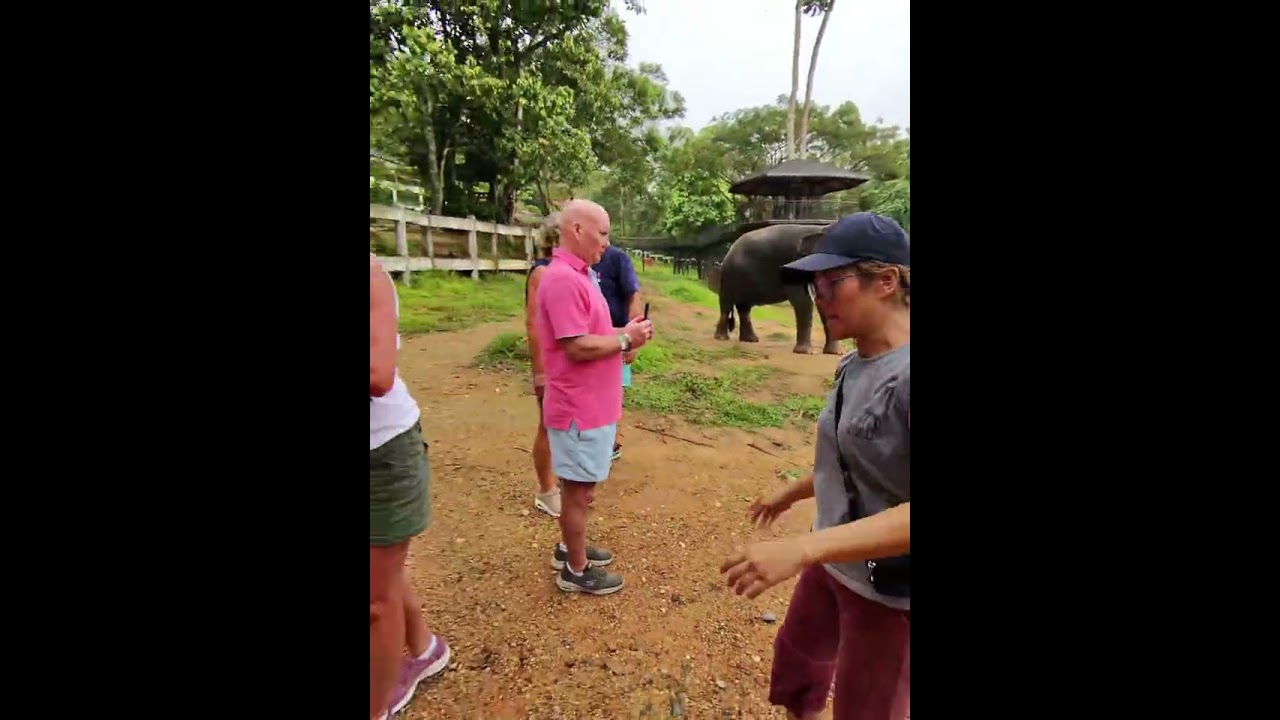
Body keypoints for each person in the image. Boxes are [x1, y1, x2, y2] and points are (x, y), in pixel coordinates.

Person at [719, 212, 911, 720]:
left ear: (886, 282)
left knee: (867, 706)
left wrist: (803, 548)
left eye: (831, 281)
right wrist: (799, 488)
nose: (817, 295)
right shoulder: (854, 361)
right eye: (813, 283)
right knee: (799, 665)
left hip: (888, 591)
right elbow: (865, 456)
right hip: (833, 563)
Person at [534, 199, 653, 594]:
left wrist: (625, 333)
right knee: (577, 490)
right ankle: (577, 569)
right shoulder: (563, 279)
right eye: (602, 233)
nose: (607, 242)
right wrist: (624, 339)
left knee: (581, 490)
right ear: (578, 230)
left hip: (592, 406)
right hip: (578, 410)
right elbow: (575, 346)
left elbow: (592, 332)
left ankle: (572, 548)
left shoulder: (582, 275)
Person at [370, 255, 451, 720]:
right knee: (381, 572)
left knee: (376, 600)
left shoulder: (372, 276)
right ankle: (421, 647)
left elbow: (378, 375)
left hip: (381, 452)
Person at [591, 242, 642, 461]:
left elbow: (633, 295)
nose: (605, 241)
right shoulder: (577, 262)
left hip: (617, 338)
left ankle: (608, 443)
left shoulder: (617, 259)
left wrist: (632, 340)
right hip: (588, 338)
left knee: (612, 392)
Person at [526, 213, 561, 517]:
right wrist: (541, 372)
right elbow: (534, 326)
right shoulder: (542, 273)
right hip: (550, 368)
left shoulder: (569, 272)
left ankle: (559, 483)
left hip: (567, 367)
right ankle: (546, 490)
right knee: (548, 426)